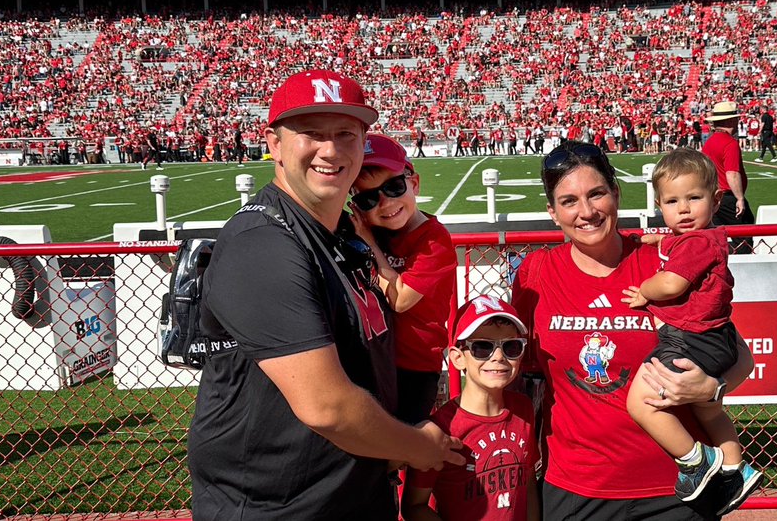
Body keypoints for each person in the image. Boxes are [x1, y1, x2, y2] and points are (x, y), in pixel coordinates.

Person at [188, 70, 464, 521]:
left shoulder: (341, 234)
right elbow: (327, 407)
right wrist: (417, 446)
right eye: (311, 134)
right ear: (274, 144)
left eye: (345, 134)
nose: (331, 150)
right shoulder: (264, 242)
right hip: (279, 506)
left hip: (349, 492)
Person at [512, 140, 757, 521]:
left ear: (617, 194)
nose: (587, 212)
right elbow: (525, 379)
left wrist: (712, 390)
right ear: (552, 211)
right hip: (577, 486)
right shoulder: (536, 273)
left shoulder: (662, 260)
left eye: (597, 194)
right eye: (569, 201)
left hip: (675, 488)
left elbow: (738, 353)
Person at [621, 149, 763, 512]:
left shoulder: (699, 242)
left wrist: (645, 291)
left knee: (642, 402)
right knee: (710, 411)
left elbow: (671, 284)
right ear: (659, 204)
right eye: (672, 201)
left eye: (693, 198)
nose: (683, 209)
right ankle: (735, 470)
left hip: (691, 340)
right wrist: (660, 240)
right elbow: (678, 248)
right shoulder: (699, 238)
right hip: (716, 337)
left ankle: (694, 460)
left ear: (716, 200)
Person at [350, 134, 458, 426]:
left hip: (414, 366)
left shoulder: (434, 240)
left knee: (403, 446)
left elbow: (400, 299)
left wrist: (369, 243)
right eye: (369, 198)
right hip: (373, 357)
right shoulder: (379, 232)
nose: (386, 204)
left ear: (415, 183)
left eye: (394, 187)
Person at [403, 295, 540, 521]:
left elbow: (528, 481)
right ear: (458, 358)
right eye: (482, 347)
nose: (498, 357)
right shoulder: (441, 428)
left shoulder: (523, 409)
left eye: (511, 347)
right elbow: (414, 506)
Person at [701, 101, 755, 254]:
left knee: (719, 238)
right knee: (744, 237)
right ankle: (743, 268)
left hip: (713, 197)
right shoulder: (730, 143)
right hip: (728, 197)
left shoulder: (709, 142)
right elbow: (732, 173)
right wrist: (740, 198)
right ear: (731, 121)